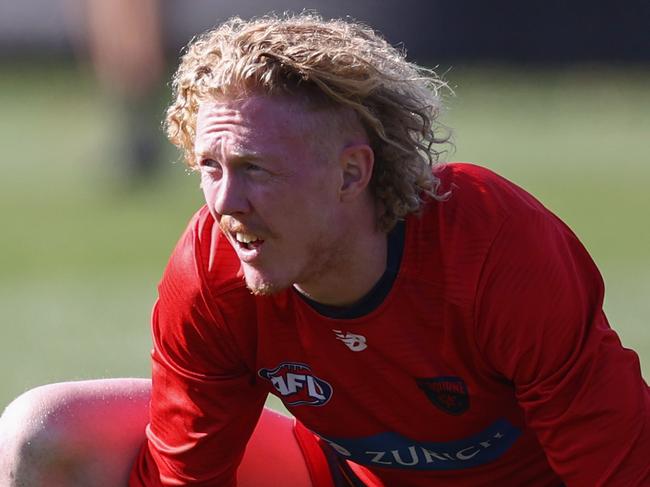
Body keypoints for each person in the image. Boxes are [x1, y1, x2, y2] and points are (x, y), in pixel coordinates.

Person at [1, 13, 649, 487]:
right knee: (45, 431)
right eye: (209, 165)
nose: (225, 203)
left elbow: (618, 468)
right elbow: (182, 476)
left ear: (351, 173)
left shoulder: (491, 247)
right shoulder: (210, 269)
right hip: (343, 475)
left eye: (257, 168)